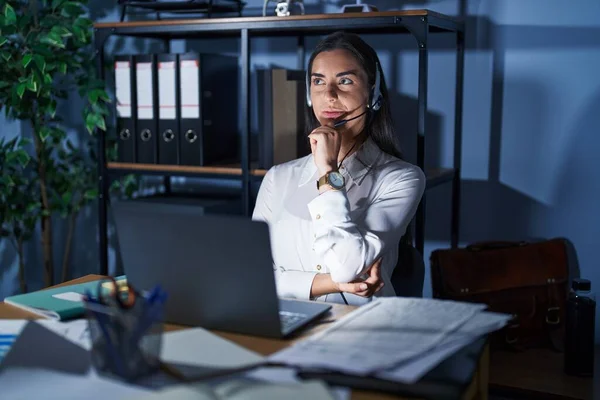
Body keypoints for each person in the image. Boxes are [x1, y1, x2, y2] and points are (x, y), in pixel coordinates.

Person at [252, 31, 425, 306]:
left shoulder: (402, 178)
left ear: (373, 93)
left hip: (360, 328)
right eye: (318, 82)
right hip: (286, 323)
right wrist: (331, 284)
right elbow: (254, 275)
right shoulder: (278, 178)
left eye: (345, 81)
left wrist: (327, 171)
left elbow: (348, 266)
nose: (329, 95)